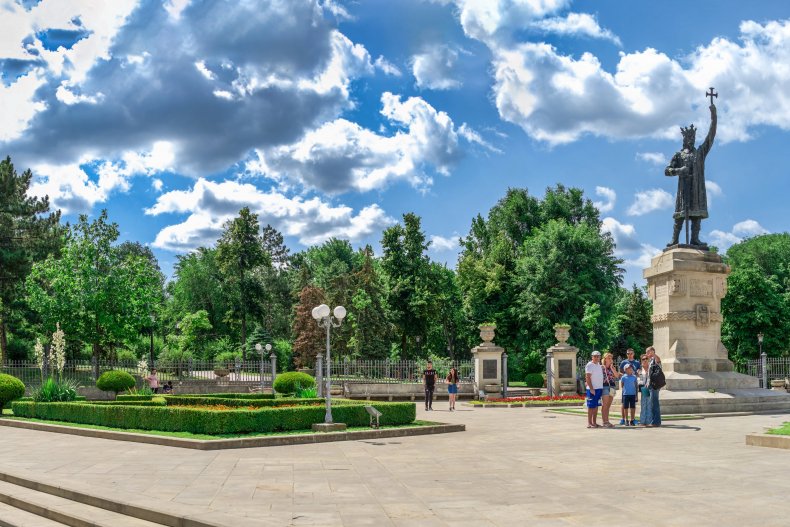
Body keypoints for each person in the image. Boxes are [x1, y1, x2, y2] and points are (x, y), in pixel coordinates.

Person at [665, 99, 717, 247]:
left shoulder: (700, 153)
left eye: (693, 138)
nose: (691, 140)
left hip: (697, 189)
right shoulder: (678, 155)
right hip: (684, 189)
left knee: (696, 215)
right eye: (688, 138)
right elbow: (667, 171)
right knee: (680, 215)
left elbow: (711, 137)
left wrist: (714, 116)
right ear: (684, 139)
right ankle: (675, 239)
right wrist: (678, 170)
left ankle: (695, 239)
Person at [619, 349, 640, 424]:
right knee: (624, 405)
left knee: (633, 405)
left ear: (633, 354)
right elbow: (620, 371)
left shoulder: (637, 362)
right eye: (628, 353)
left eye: (631, 353)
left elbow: (639, 370)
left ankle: (632, 419)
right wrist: (625, 376)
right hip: (626, 387)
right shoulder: (623, 362)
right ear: (626, 354)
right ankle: (623, 419)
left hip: (633, 385)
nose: (630, 355)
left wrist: (637, 373)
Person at [600, 353, 620, 427]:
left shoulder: (612, 367)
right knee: (605, 405)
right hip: (604, 386)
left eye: (611, 358)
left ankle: (607, 421)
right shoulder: (601, 367)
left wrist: (612, 368)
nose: (610, 359)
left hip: (612, 387)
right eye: (609, 358)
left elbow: (617, 376)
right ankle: (604, 422)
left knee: (608, 406)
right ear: (605, 359)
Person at [585, 351, 604, 428]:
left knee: (596, 406)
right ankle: (589, 423)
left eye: (598, 356)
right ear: (592, 357)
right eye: (595, 356)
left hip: (599, 389)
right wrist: (592, 388)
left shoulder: (599, 365)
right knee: (591, 406)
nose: (596, 358)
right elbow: (587, 377)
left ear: (600, 357)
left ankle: (594, 422)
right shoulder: (589, 365)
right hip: (592, 389)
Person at [645, 346, 662, 427]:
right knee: (652, 403)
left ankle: (656, 422)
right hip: (650, 385)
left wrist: (653, 354)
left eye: (647, 352)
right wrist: (647, 383)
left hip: (655, 385)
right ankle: (653, 421)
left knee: (654, 403)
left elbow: (659, 360)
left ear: (652, 352)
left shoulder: (655, 359)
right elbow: (649, 375)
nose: (646, 354)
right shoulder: (651, 361)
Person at [638, 355, 651, 426]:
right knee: (643, 405)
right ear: (641, 360)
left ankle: (649, 421)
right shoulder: (640, 370)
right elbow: (639, 380)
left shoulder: (651, 369)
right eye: (643, 359)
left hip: (650, 388)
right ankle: (642, 421)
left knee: (649, 405)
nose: (645, 360)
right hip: (643, 389)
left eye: (646, 359)